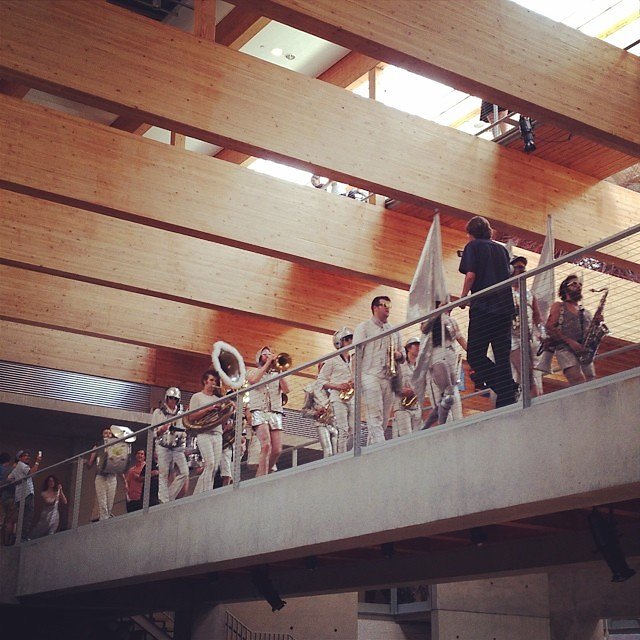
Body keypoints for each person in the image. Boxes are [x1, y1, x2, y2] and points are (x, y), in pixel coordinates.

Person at [459, 216, 516, 408]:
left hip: (484, 307)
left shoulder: (473, 247)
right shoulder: (501, 249)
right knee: (502, 356)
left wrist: (463, 297)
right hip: (505, 308)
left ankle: (507, 388)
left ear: (471, 233)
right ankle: (507, 397)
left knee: (475, 355)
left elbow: (471, 275)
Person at [353, 296, 404, 445]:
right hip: (369, 375)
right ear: (375, 308)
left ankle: (372, 449)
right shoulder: (364, 327)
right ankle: (382, 447)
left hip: (388, 378)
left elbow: (403, 355)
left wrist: (398, 355)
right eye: (384, 305)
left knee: (384, 418)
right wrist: (356, 379)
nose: (388, 308)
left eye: (389, 305)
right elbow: (356, 354)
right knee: (374, 415)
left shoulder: (394, 330)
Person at [545, 274, 601, 385]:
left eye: (580, 284)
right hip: (565, 349)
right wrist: (570, 342)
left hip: (584, 351)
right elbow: (549, 327)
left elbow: (590, 332)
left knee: (592, 380)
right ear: (565, 287)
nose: (578, 286)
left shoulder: (585, 312)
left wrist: (597, 322)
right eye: (574, 284)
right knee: (577, 379)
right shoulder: (559, 306)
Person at [420, 307, 467, 428]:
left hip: (450, 359)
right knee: (441, 402)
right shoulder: (430, 319)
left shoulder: (452, 321)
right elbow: (424, 328)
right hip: (435, 362)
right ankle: (446, 428)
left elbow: (460, 338)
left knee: (454, 398)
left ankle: (458, 427)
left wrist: (473, 353)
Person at [247, 346, 290, 476]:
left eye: (270, 354)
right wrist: (266, 364)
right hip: (259, 411)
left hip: (275, 412)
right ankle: (262, 477)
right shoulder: (252, 371)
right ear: (259, 358)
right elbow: (254, 380)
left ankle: (262, 474)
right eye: (265, 354)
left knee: (277, 450)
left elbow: (287, 389)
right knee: (266, 445)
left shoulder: (277, 374)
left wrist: (280, 371)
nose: (269, 356)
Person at [510, 256, 543, 397]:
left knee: (530, 370)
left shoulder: (530, 294)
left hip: (528, 337)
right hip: (511, 336)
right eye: (518, 267)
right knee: (523, 371)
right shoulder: (505, 291)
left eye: (523, 267)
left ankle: (530, 396)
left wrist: (542, 332)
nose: (521, 270)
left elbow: (537, 316)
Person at [318, 327, 355, 453]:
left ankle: (350, 452)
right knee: (343, 428)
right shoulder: (332, 360)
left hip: (351, 396)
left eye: (351, 339)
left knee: (353, 427)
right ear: (340, 342)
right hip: (337, 397)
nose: (351, 341)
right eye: (347, 339)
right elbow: (321, 380)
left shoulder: (353, 360)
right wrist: (338, 386)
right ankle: (341, 455)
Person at [190, 370, 226, 493]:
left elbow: (223, 416)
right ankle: (206, 493)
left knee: (215, 467)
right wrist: (208, 409)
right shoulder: (197, 397)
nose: (213, 383)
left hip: (217, 433)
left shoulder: (218, 398)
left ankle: (198, 493)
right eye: (211, 380)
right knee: (209, 464)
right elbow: (191, 417)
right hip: (204, 433)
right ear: (205, 381)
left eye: (215, 381)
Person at [153, 386, 188, 503]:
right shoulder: (158, 412)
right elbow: (153, 432)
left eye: (175, 398)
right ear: (167, 398)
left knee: (184, 472)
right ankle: (163, 499)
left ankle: (169, 495)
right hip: (163, 445)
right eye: (171, 398)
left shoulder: (181, 413)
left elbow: (184, 430)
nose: (172, 400)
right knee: (163, 473)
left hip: (177, 446)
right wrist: (161, 430)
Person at [303, 362, 337, 458]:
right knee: (328, 452)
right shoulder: (311, 388)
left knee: (339, 453)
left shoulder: (337, 387)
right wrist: (316, 413)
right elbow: (304, 411)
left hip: (337, 423)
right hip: (322, 423)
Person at [392, 337, 422, 437]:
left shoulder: (421, 366)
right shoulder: (400, 364)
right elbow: (391, 380)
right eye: (416, 345)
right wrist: (400, 390)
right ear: (408, 348)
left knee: (417, 438)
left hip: (416, 406)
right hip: (401, 406)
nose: (418, 347)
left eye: (419, 345)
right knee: (406, 437)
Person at [8, 449, 41, 540]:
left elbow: (9, 478)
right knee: (27, 516)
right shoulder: (22, 465)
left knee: (21, 516)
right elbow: (32, 473)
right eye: (25, 456)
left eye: (28, 455)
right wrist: (37, 462)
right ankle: (23, 537)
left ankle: (17, 536)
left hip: (19, 495)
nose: (27, 457)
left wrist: (17, 481)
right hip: (27, 493)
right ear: (20, 458)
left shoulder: (16, 467)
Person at [87, 428, 118, 521]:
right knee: (102, 501)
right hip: (100, 476)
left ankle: (106, 518)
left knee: (110, 501)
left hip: (112, 476)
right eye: (105, 433)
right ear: (102, 434)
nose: (108, 434)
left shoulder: (116, 445)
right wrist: (88, 462)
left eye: (109, 433)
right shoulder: (98, 445)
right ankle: (103, 520)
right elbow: (91, 460)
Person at [0, 452, 17, 545]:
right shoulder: (8, 470)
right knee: (10, 520)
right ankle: (6, 542)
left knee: (2, 520)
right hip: (8, 497)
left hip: (2, 497)